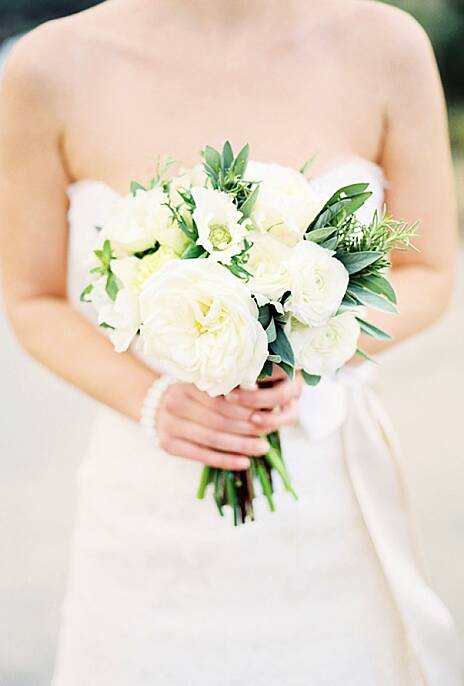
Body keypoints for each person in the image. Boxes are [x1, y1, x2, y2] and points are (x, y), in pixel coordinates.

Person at [0, 1, 461, 684]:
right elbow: (29, 297)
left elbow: (429, 271)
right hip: (146, 507)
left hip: (328, 500)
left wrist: (309, 348)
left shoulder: (386, 43)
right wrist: (155, 398)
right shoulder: (46, 66)